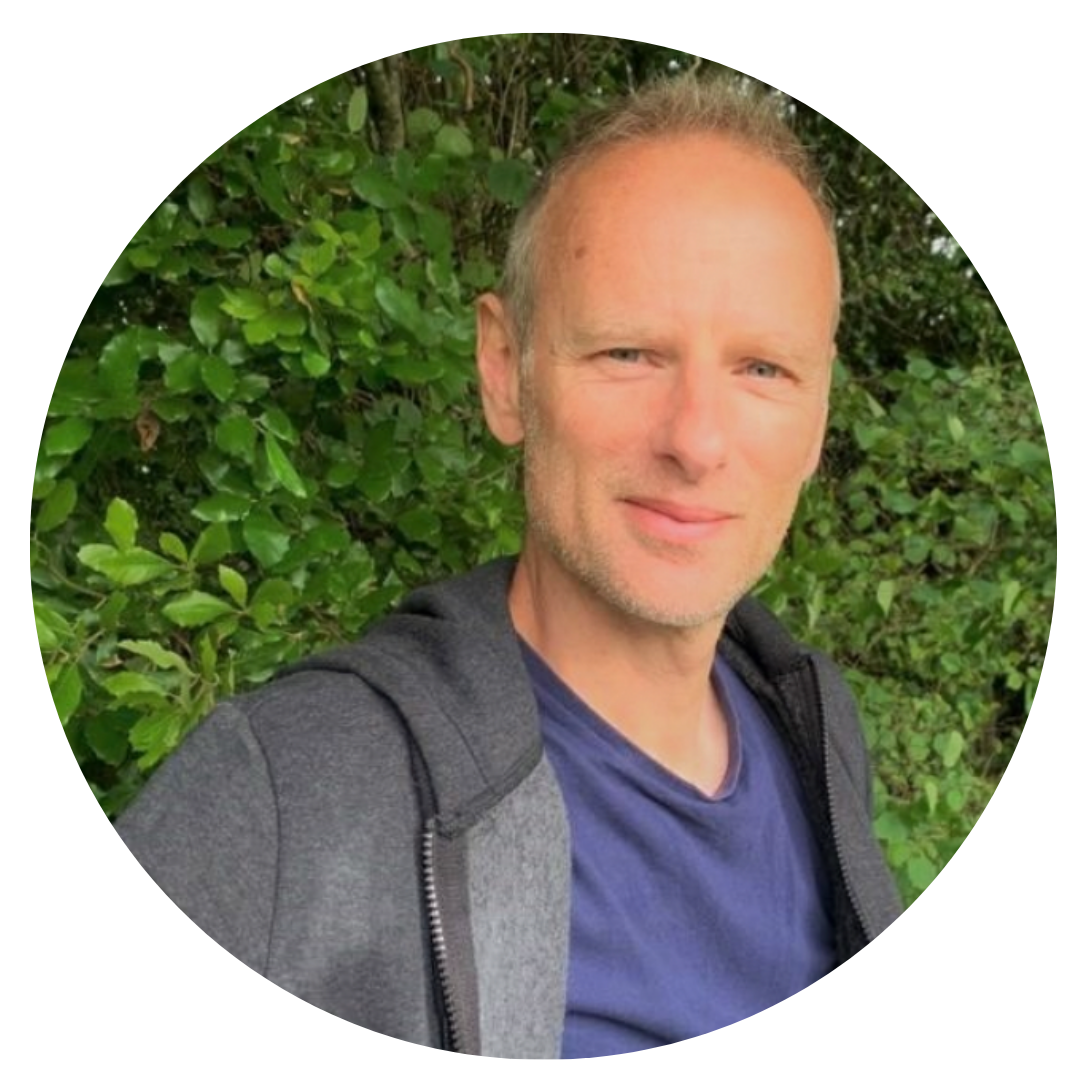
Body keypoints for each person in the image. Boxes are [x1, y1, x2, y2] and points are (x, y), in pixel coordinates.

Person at [117, 75, 903, 1058]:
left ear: (819, 412)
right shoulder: (288, 794)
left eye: (763, 369)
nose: (697, 441)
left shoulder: (815, 730)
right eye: (628, 353)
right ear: (505, 372)